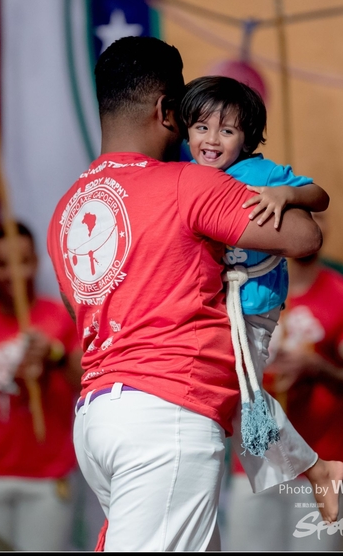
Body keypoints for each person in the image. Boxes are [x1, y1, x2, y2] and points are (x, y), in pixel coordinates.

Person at [46, 35, 327, 552]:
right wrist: (276, 184)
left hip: (96, 422)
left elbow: (85, 312)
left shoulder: (67, 209)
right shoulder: (186, 184)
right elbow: (306, 237)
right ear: (167, 111)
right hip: (165, 417)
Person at [179, 74, 343, 510]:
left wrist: (287, 193)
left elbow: (320, 196)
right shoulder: (185, 176)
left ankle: (316, 471)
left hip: (254, 305)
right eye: (201, 127)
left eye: (226, 130)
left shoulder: (260, 172)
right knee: (234, 396)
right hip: (215, 306)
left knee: (240, 391)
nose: (211, 139)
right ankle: (311, 471)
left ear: (247, 137)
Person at [223, 210, 343, 552]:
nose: (312, 224)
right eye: (300, 215)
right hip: (255, 468)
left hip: (323, 468)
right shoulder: (245, 295)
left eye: (321, 217)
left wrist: (320, 369)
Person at [0, 221, 83, 551]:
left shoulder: (59, 316)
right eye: (2, 265)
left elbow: (85, 381)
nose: (13, 274)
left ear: (36, 262)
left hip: (48, 476)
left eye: (22, 262)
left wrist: (54, 356)